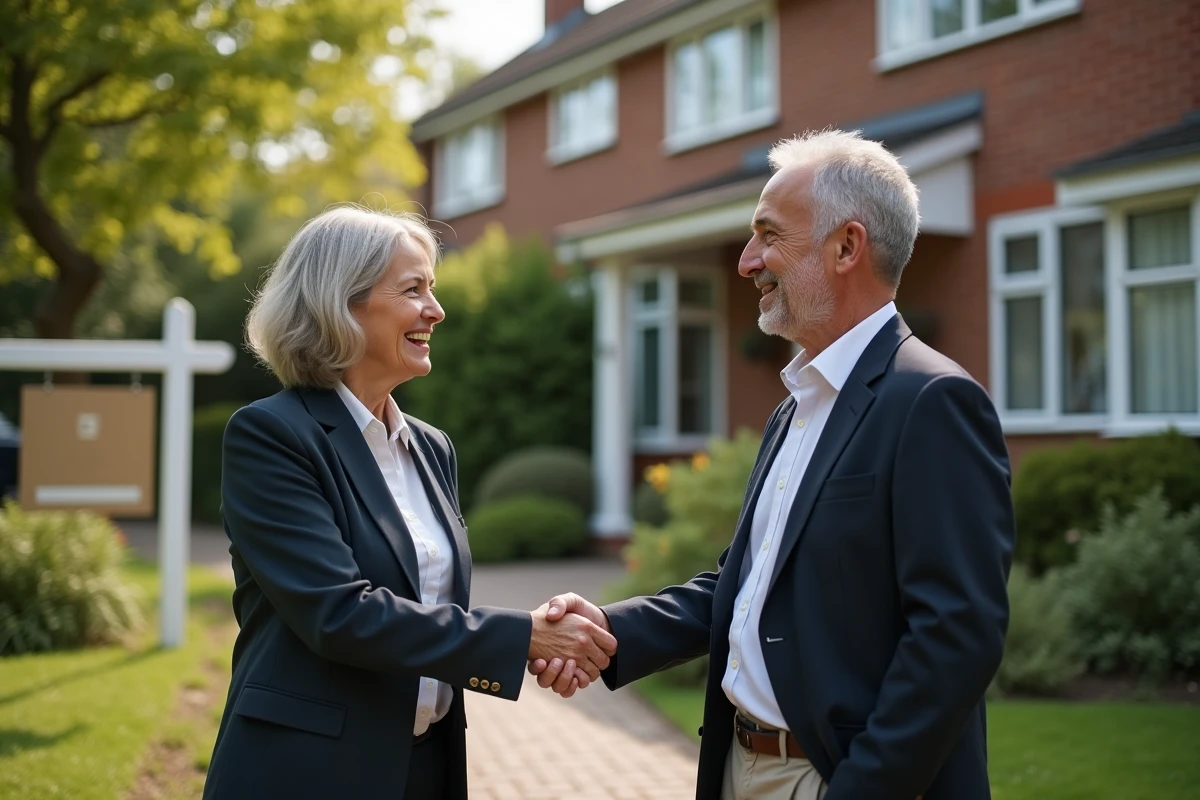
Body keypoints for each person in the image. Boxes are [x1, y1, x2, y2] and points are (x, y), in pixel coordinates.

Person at [531, 130, 1015, 800]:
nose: (747, 260)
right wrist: (609, 630)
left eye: (768, 235)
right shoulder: (798, 404)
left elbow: (956, 639)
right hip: (739, 766)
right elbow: (748, 581)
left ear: (847, 247)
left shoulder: (932, 402)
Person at [203, 206, 615, 800]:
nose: (436, 310)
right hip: (307, 770)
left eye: (434, 289)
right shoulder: (270, 435)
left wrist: (542, 639)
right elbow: (338, 615)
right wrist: (523, 638)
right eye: (413, 289)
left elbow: (426, 599)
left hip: (423, 766)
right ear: (340, 303)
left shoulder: (430, 446)